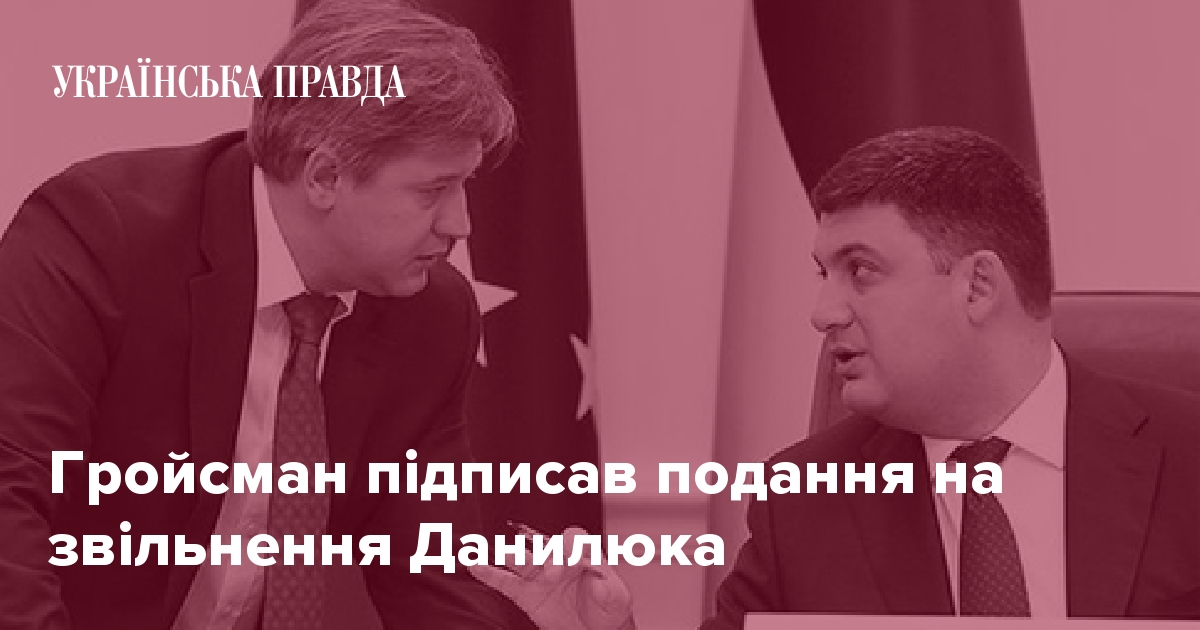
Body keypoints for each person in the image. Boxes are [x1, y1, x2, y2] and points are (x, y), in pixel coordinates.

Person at [472, 127, 1200, 627]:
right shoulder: (807, 498)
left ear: (978, 286)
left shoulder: (1187, 456)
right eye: (825, 274)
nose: (823, 313)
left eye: (862, 271)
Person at [0, 1, 515, 628]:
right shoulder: (103, 235)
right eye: (432, 191)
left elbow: (431, 575)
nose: (460, 225)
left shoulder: (432, 314)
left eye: (464, 186)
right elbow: (8, 490)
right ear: (324, 176)